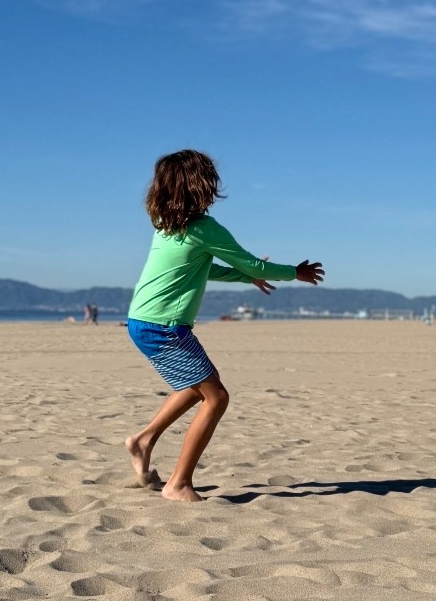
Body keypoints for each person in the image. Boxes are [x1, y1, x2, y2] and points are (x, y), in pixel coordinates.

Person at [124, 150, 323, 503]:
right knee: (216, 397)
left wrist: (245, 277)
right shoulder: (204, 228)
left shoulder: (167, 228)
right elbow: (254, 265)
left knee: (194, 387)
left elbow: (204, 269)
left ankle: (144, 440)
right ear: (200, 186)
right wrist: (295, 271)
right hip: (164, 327)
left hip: (144, 321)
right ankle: (178, 484)